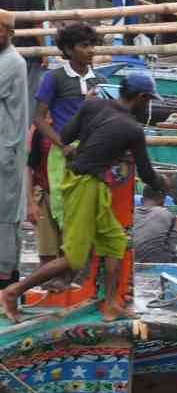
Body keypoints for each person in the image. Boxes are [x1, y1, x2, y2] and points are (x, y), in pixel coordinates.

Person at [1, 70, 167, 323]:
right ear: (141, 98)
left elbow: (66, 136)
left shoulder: (92, 105)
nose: (148, 106)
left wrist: (107, 151)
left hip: (85, 182)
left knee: (114, 242)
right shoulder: (133, 129)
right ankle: (13, 292)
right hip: (84, 186)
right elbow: (147, 174)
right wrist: (164, 182)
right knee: (74, 258)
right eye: (148, 101)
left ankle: (111, 304)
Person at [32, 21, 101, 266]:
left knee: (88, 210)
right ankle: (61, 271)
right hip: (63, 151)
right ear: (69, 50)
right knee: (62, 207)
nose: (91, 50)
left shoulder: (100, 80)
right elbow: (38, 118)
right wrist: (62, 144)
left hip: (91, 153)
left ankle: (78, 271)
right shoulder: (55, 78)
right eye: (85, 45)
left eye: (93, 45)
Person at [0, 11, 27, 286]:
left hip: (5, 152)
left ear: (9, 34)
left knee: (5, 216)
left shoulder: (11, 61)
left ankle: (6, 280)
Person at [0, 0, 46, 95]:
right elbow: (37, 26)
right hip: (29, 51)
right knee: (28, 94)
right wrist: (44, 53)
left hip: (6, 48)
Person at [130, 184, 177, 264]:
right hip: (160, 263)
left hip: (131, 262)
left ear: (142, 200)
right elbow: (173, 240)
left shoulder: (131, 213)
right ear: (164, 200)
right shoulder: (165, 213)